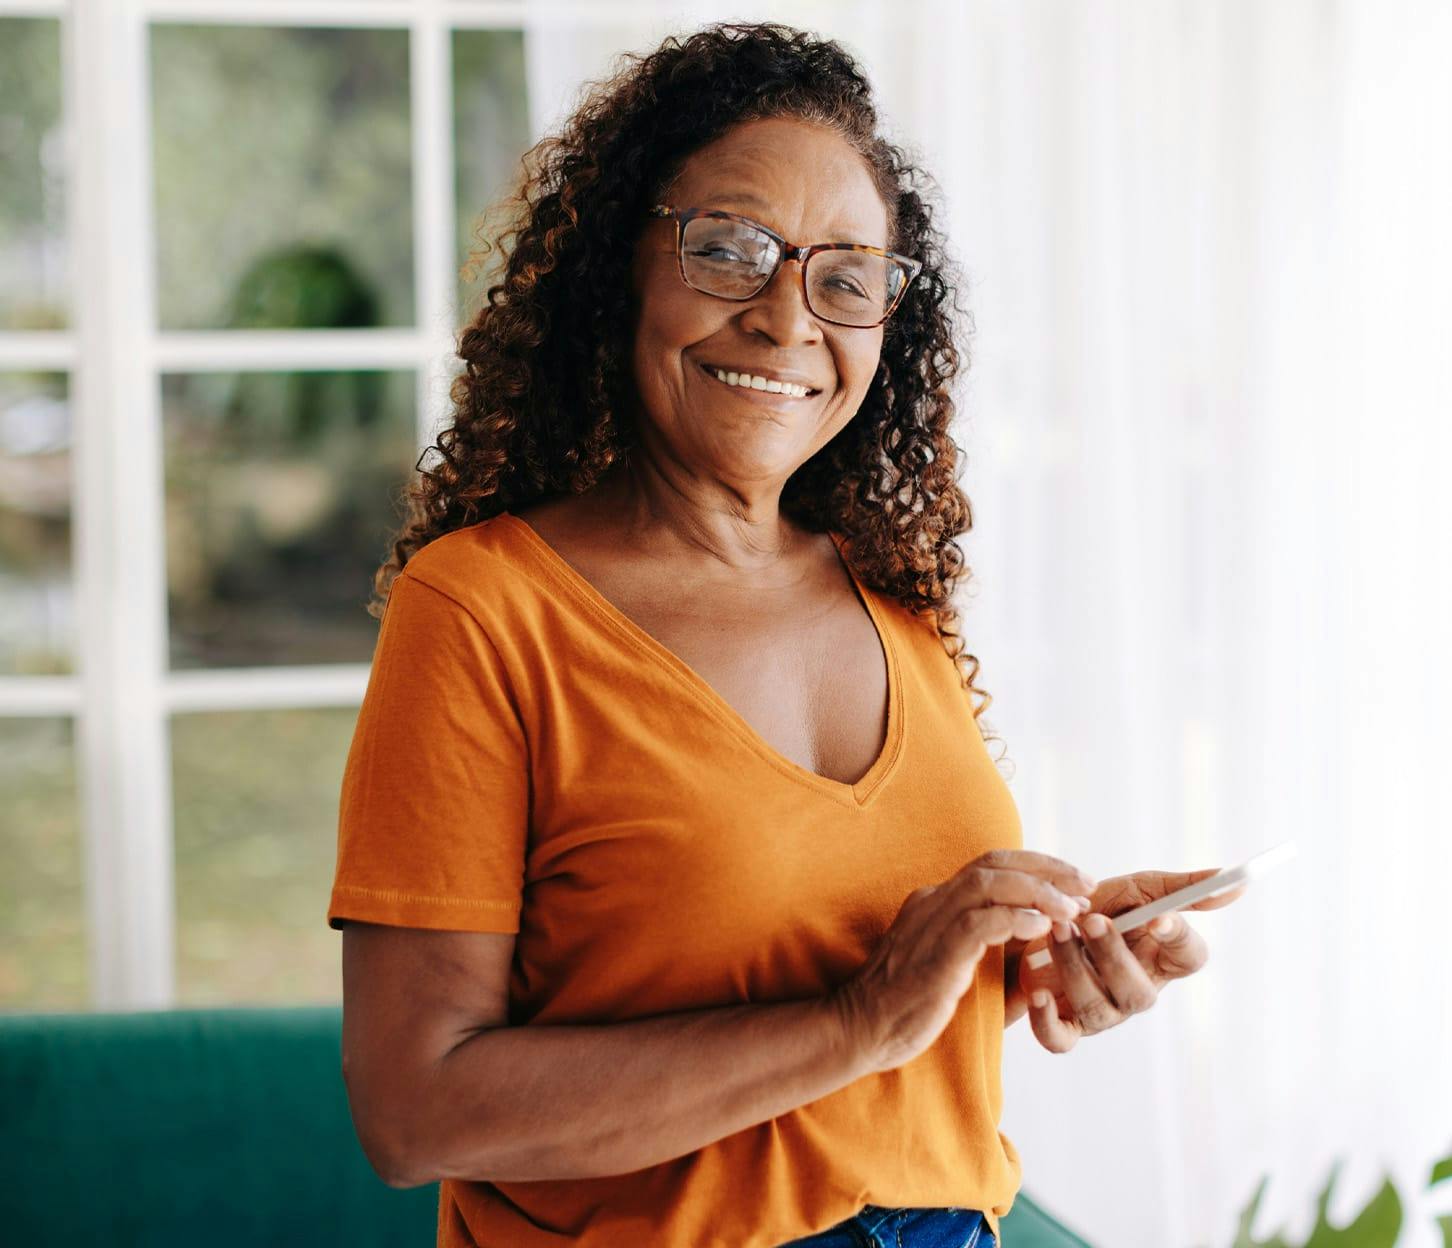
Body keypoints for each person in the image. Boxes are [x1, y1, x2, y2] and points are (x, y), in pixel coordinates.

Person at [326, 23, 1243, 1248]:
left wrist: (1022, 962)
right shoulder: (484, 610)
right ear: (618, 268)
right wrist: (861, 1018)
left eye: (846, 276)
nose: (784, 317)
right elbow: (416, 1110)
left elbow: (820, 958)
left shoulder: (892, 593)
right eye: (730, 250)